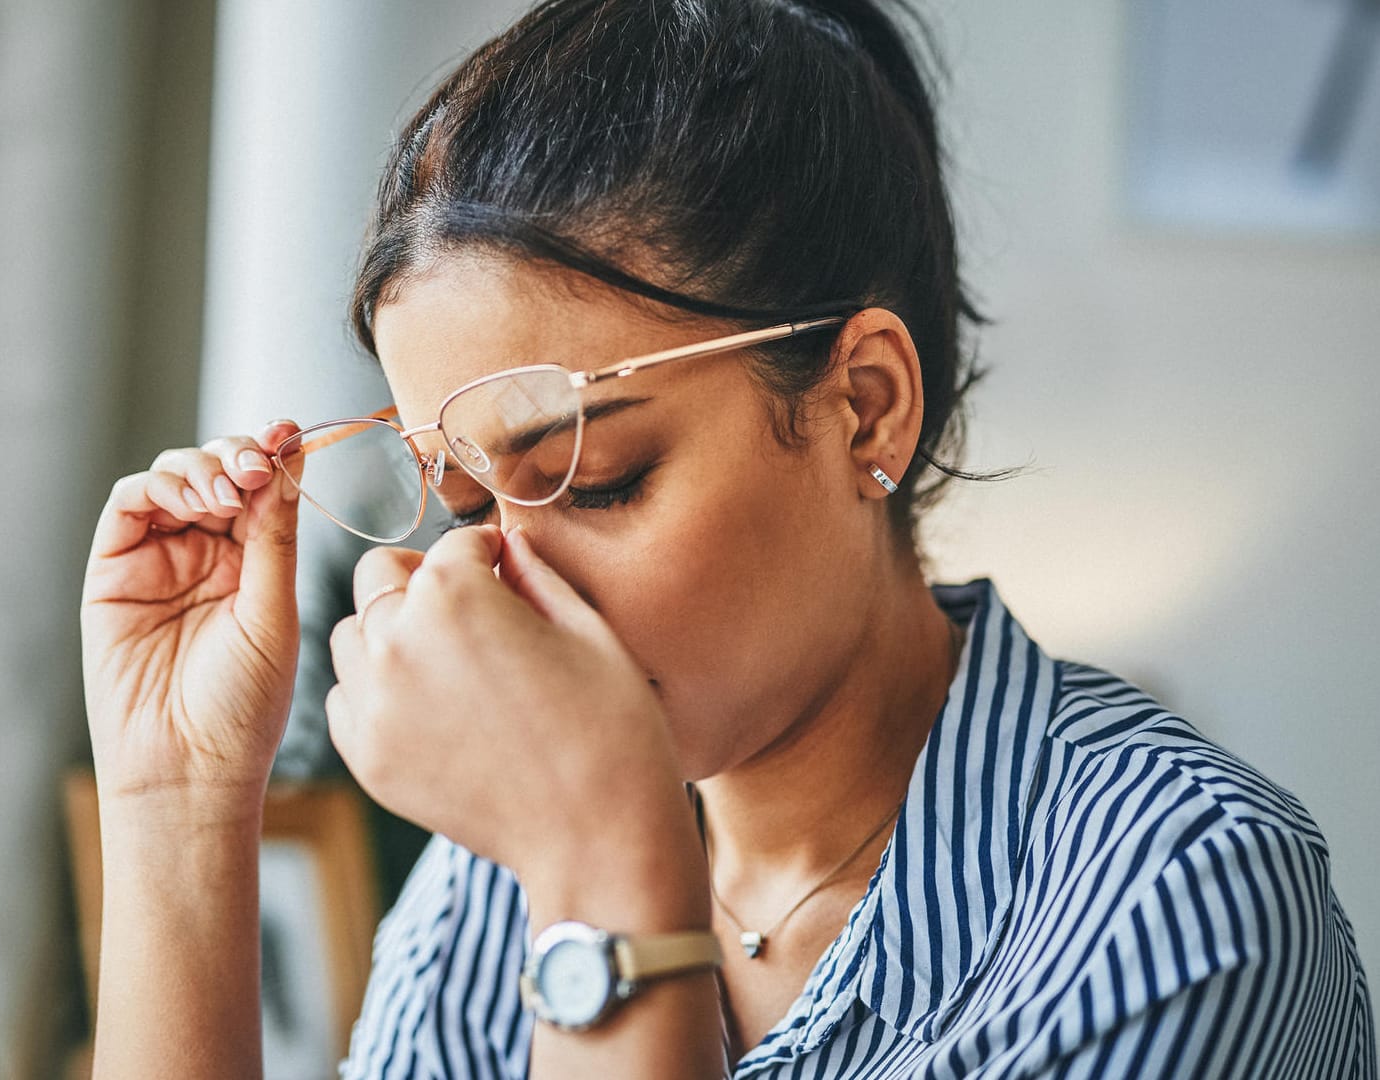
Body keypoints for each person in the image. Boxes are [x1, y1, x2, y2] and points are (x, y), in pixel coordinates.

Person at [78, 0, 1375, 1076]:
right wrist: (182, 803)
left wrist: (605, 880)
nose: (493, 584)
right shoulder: (497, 875)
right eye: (463, 505)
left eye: (598, 479)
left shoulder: (1181, 907)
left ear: (863, 405)